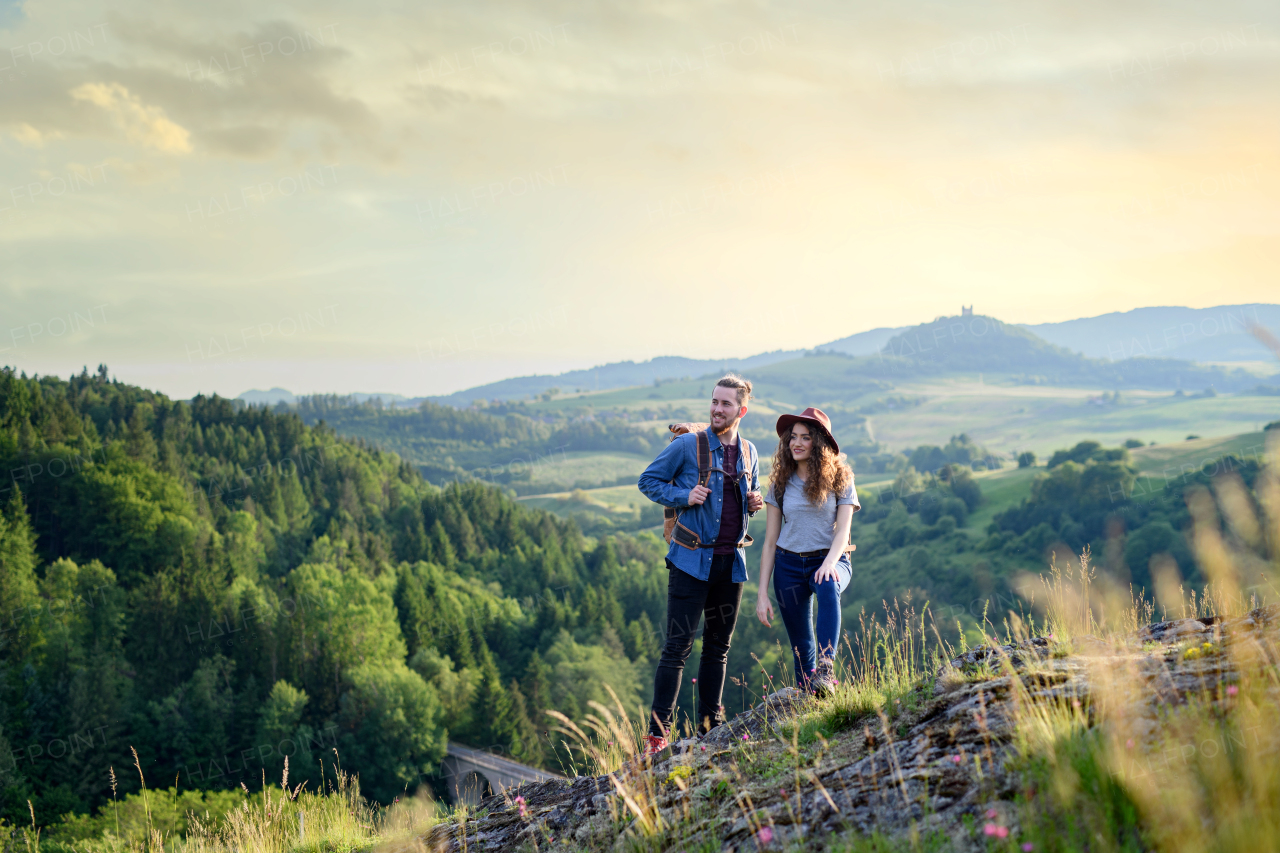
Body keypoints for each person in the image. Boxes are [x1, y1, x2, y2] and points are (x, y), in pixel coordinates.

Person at [637, 374, 763, 756]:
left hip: (731, 565)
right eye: (713, 401)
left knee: (718, 649)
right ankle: (658, 739)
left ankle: (711, 729)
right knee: (677, 648)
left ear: (741, 410)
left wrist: (752, 503)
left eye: (725, 404)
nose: (717, 409)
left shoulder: (750, 452)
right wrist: (683, 495)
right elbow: (647, 481)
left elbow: (747, 494)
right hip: (690, 562)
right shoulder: (688, 446)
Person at [754, 407, 859, 696]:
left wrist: (829, 563)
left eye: (805, 437)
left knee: (828, 583)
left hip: (830, 559)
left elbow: (842, 531)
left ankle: (826, 669)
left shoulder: (841, 478)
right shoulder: (780, 483)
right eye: (793, 437)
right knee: (801, 648)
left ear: (819, 443)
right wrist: (762, 593)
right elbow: (770, 542)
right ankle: (810, 703)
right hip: (788, 565)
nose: (796, 443)